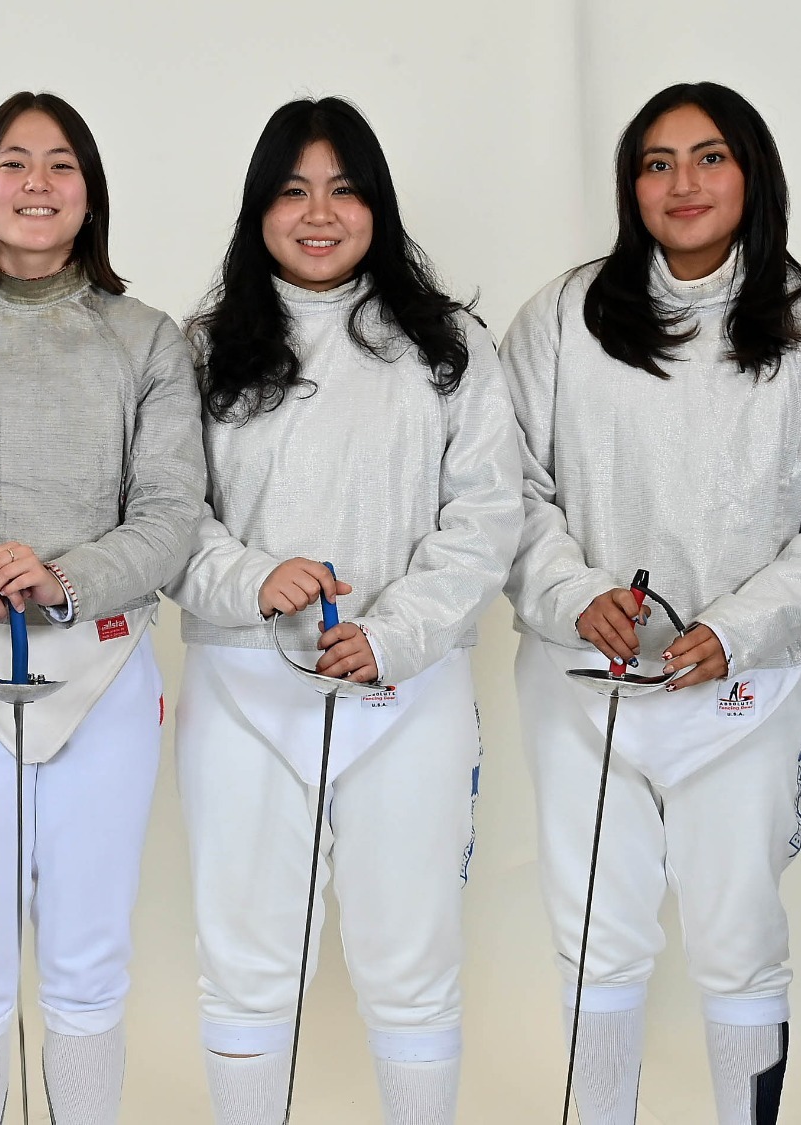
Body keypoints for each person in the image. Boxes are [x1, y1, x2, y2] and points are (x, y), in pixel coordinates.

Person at [500, 81, 801, 1125]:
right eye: (656, 163)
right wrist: (573, 594)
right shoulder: (564, 317)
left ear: (751, 174)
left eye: (709, 157)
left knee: (737, 939)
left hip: (742, 693)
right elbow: (502, 483)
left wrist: (738, 628)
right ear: (631, 186)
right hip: (583, 685)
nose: (682, 183)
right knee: (595, 938)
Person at [166, 96, 522, 1125]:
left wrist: (392, 635)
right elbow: (165, 512)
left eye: (342, 189)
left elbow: (485, 513)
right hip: (243, 691)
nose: (317, 214)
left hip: (405, 691)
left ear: (376, 204)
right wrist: (249, 579)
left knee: (411, 961)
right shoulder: (200, 350)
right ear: (258, 209)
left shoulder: (447, 344)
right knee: (245, 964)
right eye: (292, 191)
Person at [0, 90, 206, 1124]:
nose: (36, 183)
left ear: (89, 192)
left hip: (105, 672)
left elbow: (170, 513)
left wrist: (65, 579)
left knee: (88, 961)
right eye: (13, 162)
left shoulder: (145, 338)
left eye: (61, 163)